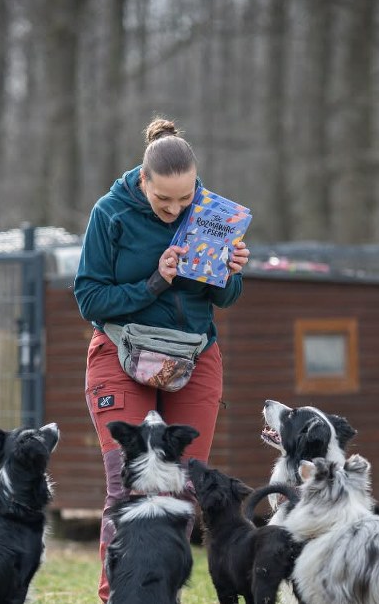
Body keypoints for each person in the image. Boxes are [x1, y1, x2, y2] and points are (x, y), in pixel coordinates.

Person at [74, 117, 250, 602]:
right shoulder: (111, 213)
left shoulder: (212, 216)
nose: (175, 210)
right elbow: (88, 298)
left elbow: (224, 299)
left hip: (193, 356)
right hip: (121, 352)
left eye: (185, 199)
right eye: (163, 200)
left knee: (183, 490)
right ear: (143, 180)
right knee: (128, 486)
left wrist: (230, 273)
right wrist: (154, 281)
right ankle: (119, 596)